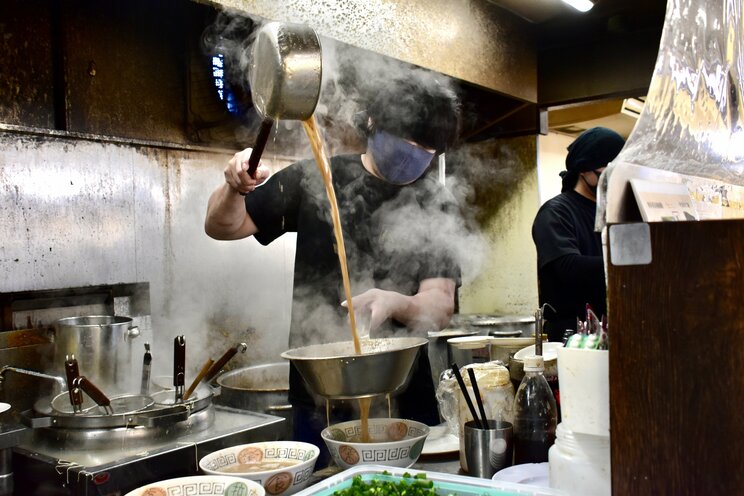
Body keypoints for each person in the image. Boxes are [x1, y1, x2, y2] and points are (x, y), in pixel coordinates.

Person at [204, 74, 462, 465]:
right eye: (407, 142)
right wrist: (235, 188)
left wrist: (394, 302)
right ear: (373, 123)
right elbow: (222, 226)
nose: (415, 155)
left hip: (404, 397)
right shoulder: (315, 178)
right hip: (318, 397)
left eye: (427, 149)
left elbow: (440, 306)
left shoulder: (433, 201)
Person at [531, 127, 625, 342]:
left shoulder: (613, 211)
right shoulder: (556, 212)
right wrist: (626, 264)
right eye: (607, 174)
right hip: (573, 335)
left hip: (611, 327)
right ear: (584, 170)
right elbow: (567, 266)